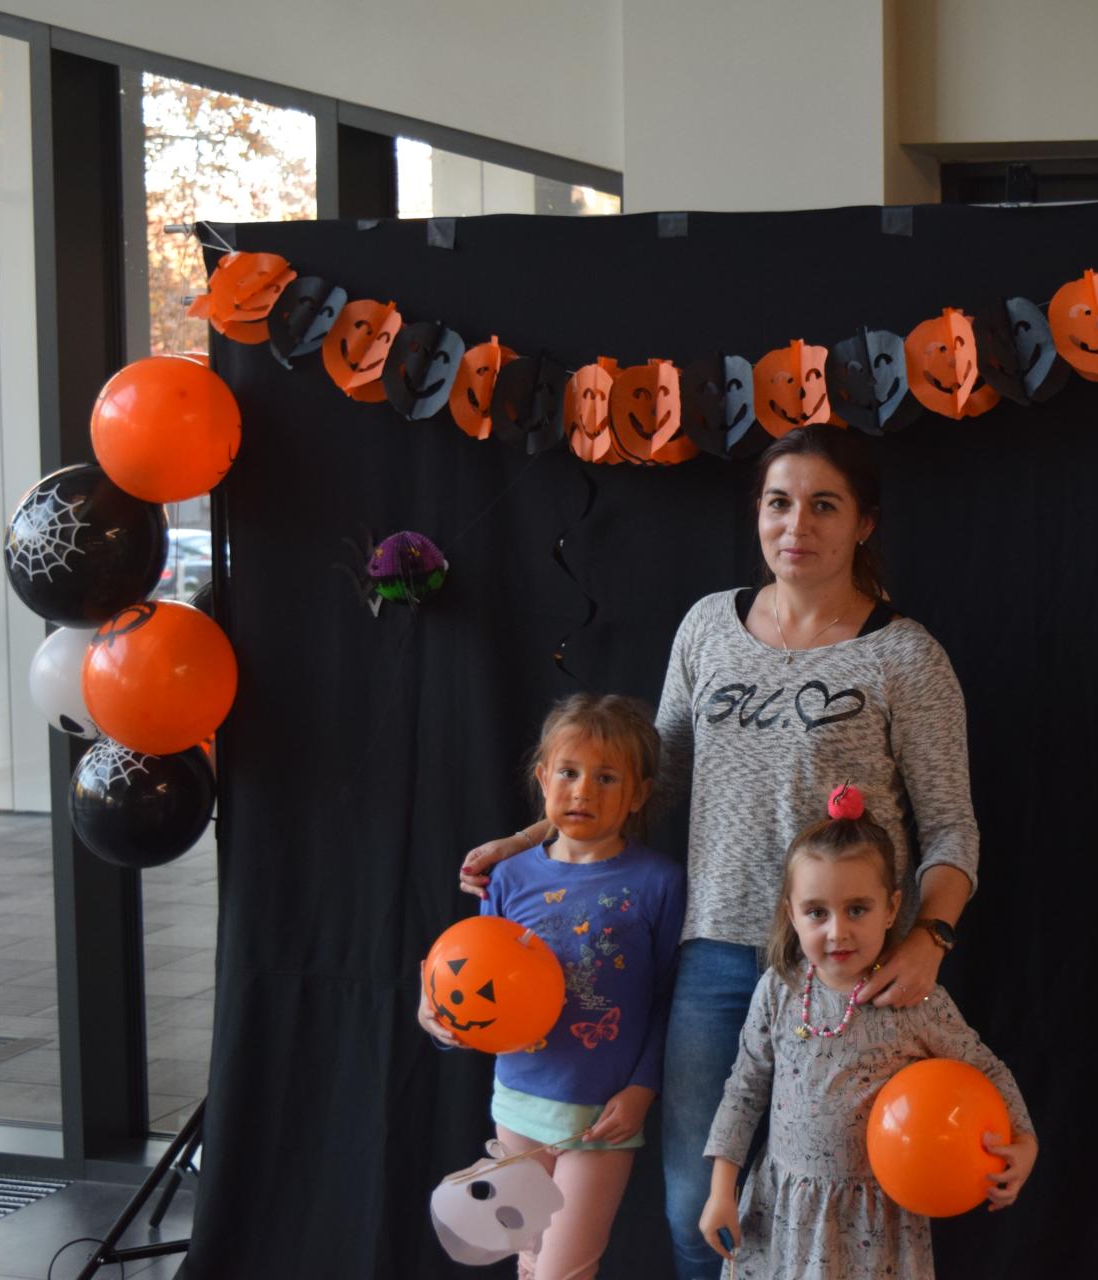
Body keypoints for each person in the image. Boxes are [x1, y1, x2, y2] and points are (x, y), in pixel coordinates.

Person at [459, 426, 982, 1279]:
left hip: (845, 964)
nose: (796, 525)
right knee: (695, 1210)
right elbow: (648, 778)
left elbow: (952, 826)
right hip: (713, 955)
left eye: (824, 505)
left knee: (838, 1206)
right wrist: (530, 839)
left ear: (864, 523)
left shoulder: (905, 655)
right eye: (779, 503)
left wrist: (931, 936)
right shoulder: (709, 627)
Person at [697, 788, 1035, 1278]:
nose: (837, 931)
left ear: (892, 908)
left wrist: (1025, 1141)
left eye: (857, 909)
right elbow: (745, 1090)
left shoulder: (914, 1000)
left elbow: (986, 1069)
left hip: (872, 1225)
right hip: (785, 1213)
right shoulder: (778, 990)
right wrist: (720, 1190)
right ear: (791, 913)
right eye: (817, 912)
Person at [421, 693, 686, 1280]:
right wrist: (438, 1019)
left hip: (602, 1120)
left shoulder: (660, 883)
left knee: (564, 1271)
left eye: (606, 777)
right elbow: (472, 976)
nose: (583, 790)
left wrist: (642, 1090)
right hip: (518, 1106)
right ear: (543, 779)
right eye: (568, 772)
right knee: (531, 1261)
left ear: (638, 794)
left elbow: (669, 995)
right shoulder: (508, 877)